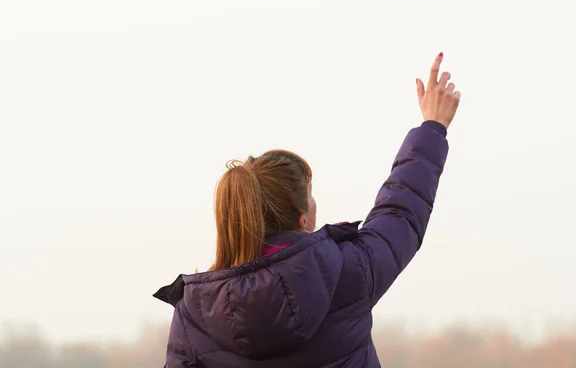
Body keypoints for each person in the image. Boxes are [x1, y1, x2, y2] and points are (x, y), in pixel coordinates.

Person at [154, 53, 461, 368]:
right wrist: (433, 127)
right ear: (303, 218)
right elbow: (401, 211)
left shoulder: (195, 311)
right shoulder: (349, 271)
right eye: (310, 196)